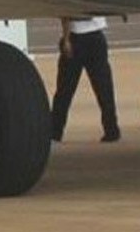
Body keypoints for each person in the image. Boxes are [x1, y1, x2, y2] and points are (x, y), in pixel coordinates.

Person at [52, 16, 121, 144]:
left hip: (76, 37)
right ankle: (111, 130)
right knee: (104, 88)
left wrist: (66, 39)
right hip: (95, 37)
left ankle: (55, 131)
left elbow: (66, 14)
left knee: (64, 90)